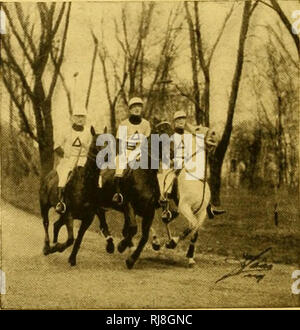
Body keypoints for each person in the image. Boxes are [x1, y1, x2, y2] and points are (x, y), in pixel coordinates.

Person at [159, 110, 225, 222]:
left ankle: (208, 206)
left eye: (183, 119)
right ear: (174, 122)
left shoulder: (190, 135)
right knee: (169, 178)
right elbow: (166, 155)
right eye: (178, 119)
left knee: (200, 178)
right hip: (174, 164)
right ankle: (166, 204)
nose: (181, 121)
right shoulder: (170, 137)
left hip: (188, 164)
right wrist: (174, 161)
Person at [112, 97, 151, 205]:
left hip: (141, 152)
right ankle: (118, 193)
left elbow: (147, 140)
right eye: (134, 107)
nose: (137, 109)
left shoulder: (146, 124)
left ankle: (158, 196)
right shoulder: (124, 124)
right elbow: (119, 142)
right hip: (127, 151)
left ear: (142, 109)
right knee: (119, 165)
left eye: (139, 106)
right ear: (130, 109)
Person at [54, 107, 92, 214]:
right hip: (68, 159)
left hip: (83, 159)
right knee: (64, 174)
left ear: (85, 119)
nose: (80, 119)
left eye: (82, 116)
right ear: (73, 118)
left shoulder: (88, 132)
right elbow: (56, 146)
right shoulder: (66, 131)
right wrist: (65, 156)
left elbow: (91, 148)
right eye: (78, 116)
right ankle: (61, 202)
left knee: (94, 175)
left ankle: (95, 201)